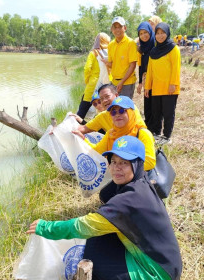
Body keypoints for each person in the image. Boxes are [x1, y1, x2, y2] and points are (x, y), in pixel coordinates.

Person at [26, 136, 182, 280]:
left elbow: (82, 226)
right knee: (96, 239)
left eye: (124, 163)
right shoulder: (140, 183)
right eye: (113, 161)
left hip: (157, 273)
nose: (116, 167)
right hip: (164, 261)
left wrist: (45, 227)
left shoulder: (129, 199)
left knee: (96, 262)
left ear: (137, 165)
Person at [80, 96, 156, 171]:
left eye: (122, 111)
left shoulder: (142, 133)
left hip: (136, 180)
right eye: (113, 112)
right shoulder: (111, 133)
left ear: (131, 113)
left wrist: (121, 167)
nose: (117, 114)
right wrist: (82, 139)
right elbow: (98, 151)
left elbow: (150, 163)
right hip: (118, 177)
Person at [145, 22, 181, 145]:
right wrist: (147, 87)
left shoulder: (173, 48)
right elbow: (149, 71)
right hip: (156, 88)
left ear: (167, 33)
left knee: (168, 112)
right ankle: (156, 133)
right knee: (156, 112)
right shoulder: (153, 51)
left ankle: (166, 136)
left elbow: (176, 68)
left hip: (169, 87)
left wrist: (173, 84)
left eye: (162, 33)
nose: (160, 36)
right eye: (158, 33)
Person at [75, 84, 144, 136]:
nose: (104, 100)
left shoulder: (129, 109)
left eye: (107, 96)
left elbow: (140, 130)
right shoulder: (102, 116)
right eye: (101, 99)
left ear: (116, 95)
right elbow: (84, 128)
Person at [77, 33, 111, 119]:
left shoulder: (94, 53)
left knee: (82, 110)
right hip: (106, 85)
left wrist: (87, 80)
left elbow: (87, 68)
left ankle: (76, 126)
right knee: (104, 110)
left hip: (93, 84)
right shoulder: (111, 52)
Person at [105, 16, 138, 99]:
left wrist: (122, 82)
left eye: (120, 27)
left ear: (125, 28)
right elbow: (112, 64)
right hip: (114, 82)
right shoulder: (111, 45)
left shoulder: (130, 43)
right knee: (115, 108)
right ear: (112, 29)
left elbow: (132, 65)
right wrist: (106, 63)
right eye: (115, 27)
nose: (117, 30)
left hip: (127, 82)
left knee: (125, 109)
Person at [136, 22, 155, 127]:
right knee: (147, 101)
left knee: (155, 103)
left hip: (156, 78)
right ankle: (148, 124)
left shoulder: (156, 45)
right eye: (141, 33)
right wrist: (140, 82)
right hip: (145, 78)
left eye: (145, 32)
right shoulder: (141, 48)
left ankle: (155, 125)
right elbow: (140, 66)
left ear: (150, 32)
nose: (143, 35)